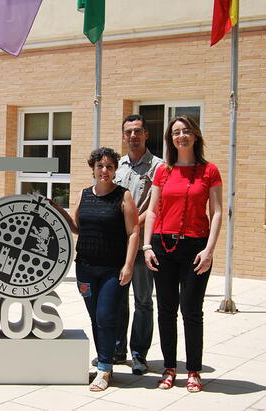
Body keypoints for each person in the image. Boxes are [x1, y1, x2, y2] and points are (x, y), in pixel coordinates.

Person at [144, 115, 222, 393]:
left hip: (195, 248)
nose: (181, 136)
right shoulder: (163, 171)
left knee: (191, 310)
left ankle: (193, 370)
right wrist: (147, 246)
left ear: (196, 135)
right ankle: (169, 368)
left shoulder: (209, 170)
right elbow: (152, 210)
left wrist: (209, 250)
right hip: (163, 246)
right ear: (170, 139)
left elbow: (217, 212)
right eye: (176, 132)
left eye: (186, 130)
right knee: (166, 310)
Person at [71, 147, 139, 391]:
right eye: (100, 166)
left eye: (109, 167)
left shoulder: (124, 196)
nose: (104, 171)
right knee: (94, 317)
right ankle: (104, 361)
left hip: (113, 269)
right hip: (86, 268)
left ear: (115, 170)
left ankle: (104, 368)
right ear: (93, 168)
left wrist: (128, 265)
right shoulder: (83, 194)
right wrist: (55, 209)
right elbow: (77, 227)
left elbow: (133, 233)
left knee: (106, 317)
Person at [111, 115, 163, 375]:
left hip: (142, 245)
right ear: (123, 136)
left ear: (146, 135)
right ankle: (118, 350)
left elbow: (157, 205)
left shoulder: (158, 167)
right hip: (117, 245)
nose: (133, 136)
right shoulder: (118, 166)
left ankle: (139, 354)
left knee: (143, 300)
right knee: (118, 299)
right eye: (128, 132)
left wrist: (134, 227)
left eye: (137, 131)